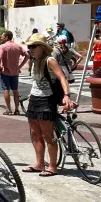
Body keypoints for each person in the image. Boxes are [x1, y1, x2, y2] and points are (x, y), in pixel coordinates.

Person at [22, 33, 73, 177]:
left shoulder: (49, 60)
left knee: (47, 135)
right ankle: (39, 163)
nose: (30, 49)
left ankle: (52, 166)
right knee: (34, 133)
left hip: (46, 99)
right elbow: (36, 81)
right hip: (34, 99)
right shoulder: (33, 61)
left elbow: (62, 77)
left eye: (33, 46)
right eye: (29, 46)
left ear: (42, 47)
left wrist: (67, 95)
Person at [0, 31, 30, 115]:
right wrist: (19, 66)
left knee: (6, 90)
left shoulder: (3, 46)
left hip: (5, 72)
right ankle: (17, 109)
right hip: (15, 72)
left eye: (2, 36)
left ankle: (8, 109)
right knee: (15, 91)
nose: (1, 38)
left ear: (6, 37)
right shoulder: (18, 46)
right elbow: (27, 56)